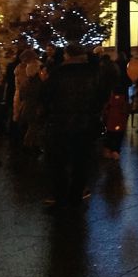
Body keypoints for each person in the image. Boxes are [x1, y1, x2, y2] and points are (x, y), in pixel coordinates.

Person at [42, 43, 102, 207]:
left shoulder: (58, 72)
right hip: (85, 123)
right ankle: (77, 193)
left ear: (67, 55)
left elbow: (46, 96)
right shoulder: (93, 72)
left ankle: (60, 196)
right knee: (81, 161)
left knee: (59, 161)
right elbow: (100, 96)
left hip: (61, 122)